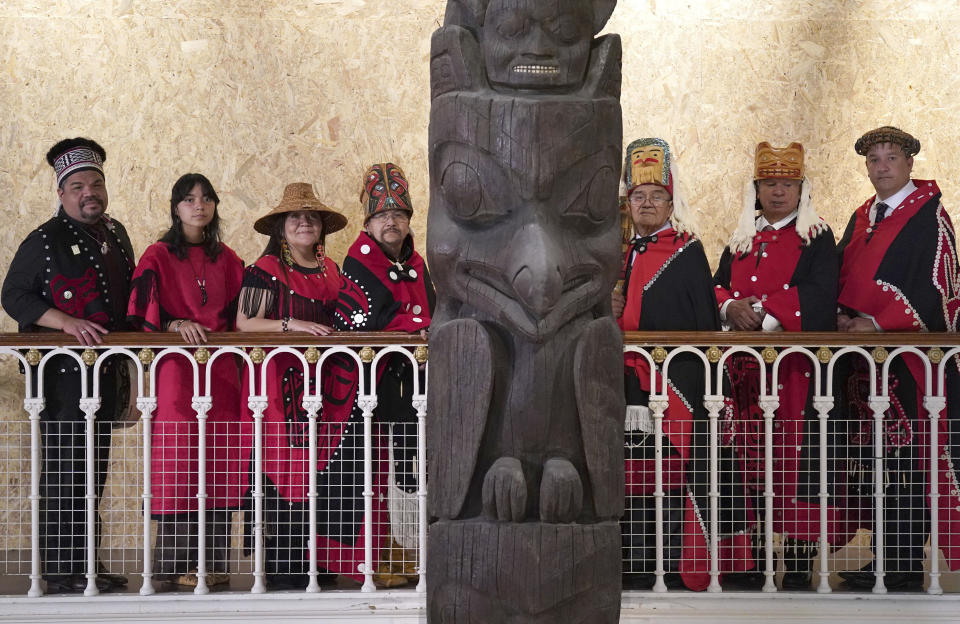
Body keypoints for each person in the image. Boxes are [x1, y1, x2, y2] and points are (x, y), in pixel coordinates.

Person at [714, 142, 853, 590]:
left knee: (797, 467)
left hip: (796, 376)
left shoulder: (817, 236)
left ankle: (796, 565)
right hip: (741, 378)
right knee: (743, 465)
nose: (778, 192)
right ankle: (749, 561)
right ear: (757, 188)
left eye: (787, 184)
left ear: (801, 188)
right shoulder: (741, 236)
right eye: (770, 183)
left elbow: (820, 291)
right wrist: (732, 306)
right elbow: (713, 288)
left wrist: (768, 313)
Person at [612, 138, 747, 591]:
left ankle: (671, 564)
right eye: (639, 196)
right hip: (628, 385)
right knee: (635, 477)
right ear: (628, 202)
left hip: (677, 388)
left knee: (673, 479)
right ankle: (635, 562)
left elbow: (701, 323)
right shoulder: (623, 253)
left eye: (656, 197)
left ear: (671, 201)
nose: (647, 204)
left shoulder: (687, 251)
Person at [1, 138, 133, 593]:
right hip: (59, 381)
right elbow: (13, 295)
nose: (88, 192)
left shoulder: (116, 235)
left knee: (93, 473)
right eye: (77, 186)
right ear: (61, 193)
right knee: (63, 474)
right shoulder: (44, 238)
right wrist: (66, 322)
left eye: (96, 183)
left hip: (106, 376)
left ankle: (86, 568)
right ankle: (58, 572)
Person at [835, 126, 960, 591]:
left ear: (909, 164)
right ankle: (884, 555)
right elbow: (841, 271)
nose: (882, 166)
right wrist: (843, 317)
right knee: (876, 461)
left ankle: (904, 561)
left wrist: (879, 323)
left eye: (891, 157)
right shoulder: (864, 215)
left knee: (909, 461)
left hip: (911, 364)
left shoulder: (931, 216)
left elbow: (938, 290)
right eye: (874, 159)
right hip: (867, 367)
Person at [126, 173, 245, 589]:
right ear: (175, 207)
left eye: (207, 198)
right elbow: (140, 316)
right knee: (179, 466)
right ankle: (171, 567)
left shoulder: (229, 259)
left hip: (224, 373)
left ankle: (212, 566)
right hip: (177, 371)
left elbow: (241, 321)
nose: (200, 206)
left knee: (220, 465)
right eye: (190, 199)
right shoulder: (157, 256)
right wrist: (174, 322)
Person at [235, 182, 347, 590]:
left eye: (311, 217)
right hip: (277, 389)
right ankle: (284, 564)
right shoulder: (263, 271)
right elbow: (245, 325)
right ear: (281, 228)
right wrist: (292, 325)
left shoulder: (332, 270)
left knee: (322, 471)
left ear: (321, 228)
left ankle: (323, 559)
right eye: (295, 217)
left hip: (324, 390)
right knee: (282, 469)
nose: (304, 222)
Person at [333, 162, 435, 588]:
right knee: (372, 477)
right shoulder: (357, 261)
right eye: (381, 215)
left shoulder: (418, 261)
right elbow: (356, 323)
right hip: (370, 394)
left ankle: (404, 551)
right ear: (368, 222)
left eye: (398, 214)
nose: (390, 222)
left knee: (408, 472)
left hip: (415, 390)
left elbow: (431, 310)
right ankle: (369, 560)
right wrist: (412, 329)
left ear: (409, 219)